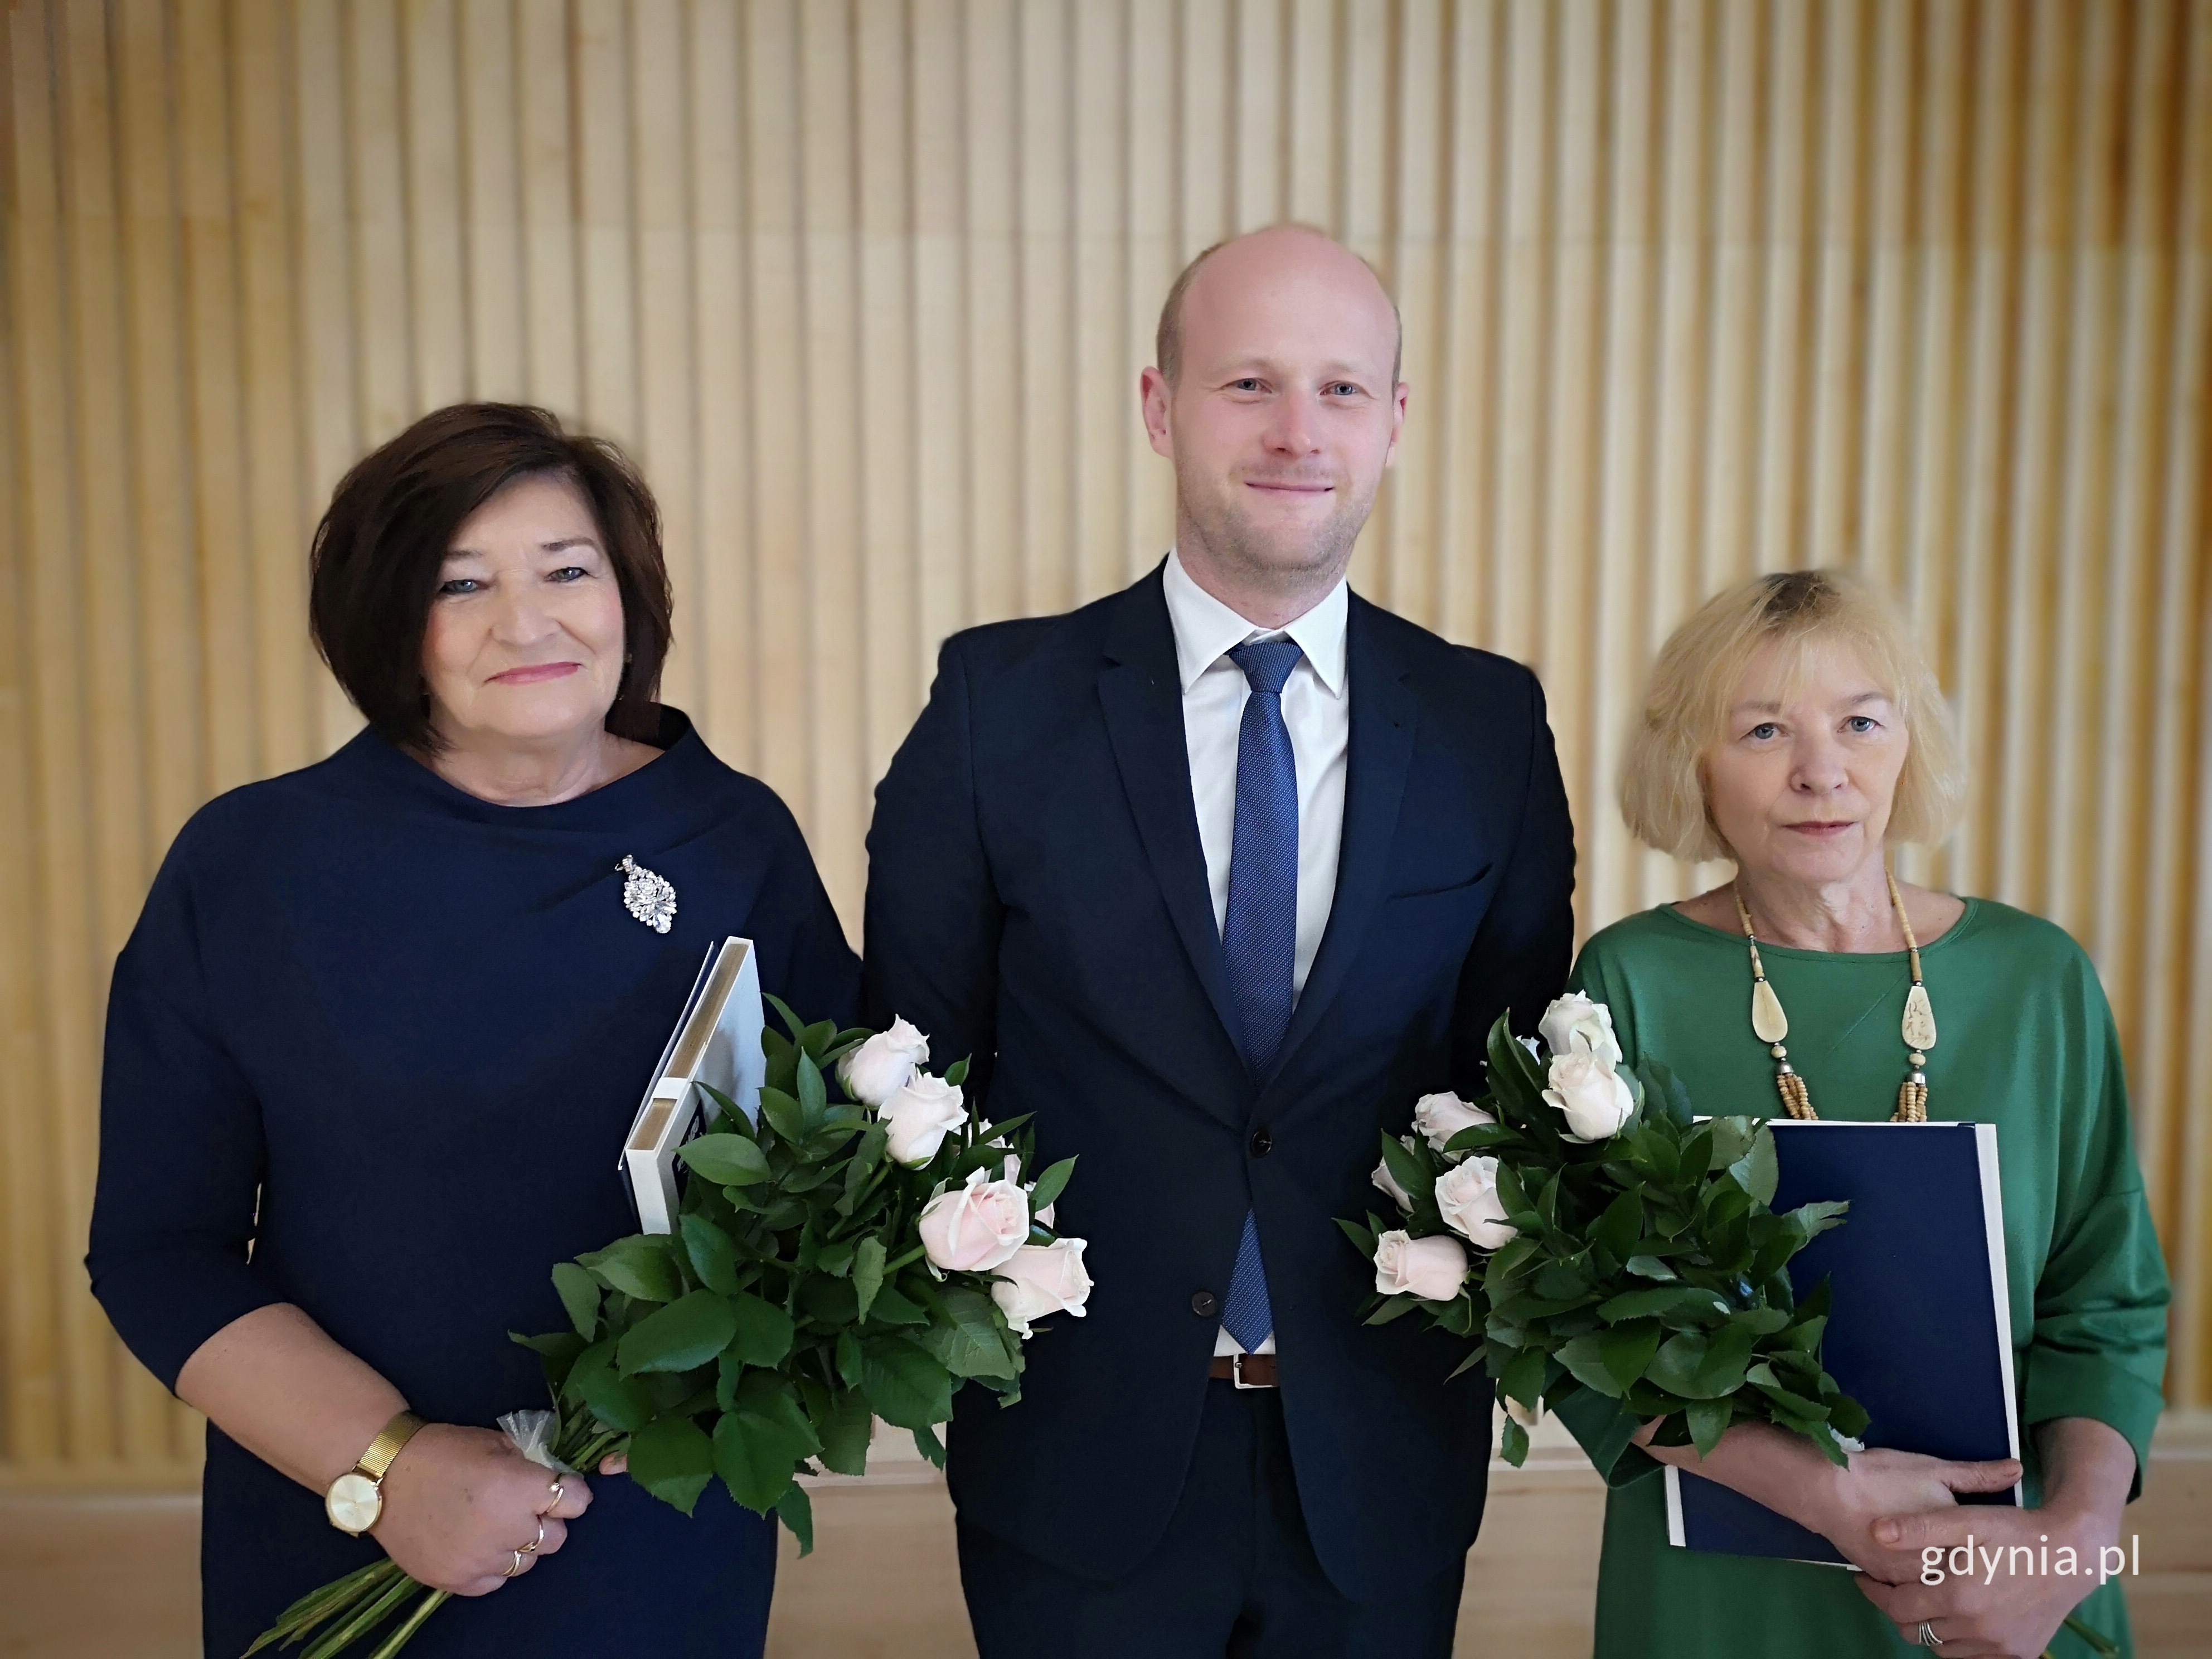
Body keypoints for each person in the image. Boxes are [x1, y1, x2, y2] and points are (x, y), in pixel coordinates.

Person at [863, 224, 1576, 1657]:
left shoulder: (1484, 725)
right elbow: (907, 1070)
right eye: (1248, 383)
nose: (1297, 431)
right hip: (1077, 1457)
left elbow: (1514, 1085)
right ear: (1157, 406)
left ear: (1394, 422)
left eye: (1341, 389)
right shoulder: (998, 704)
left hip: (1373, 1459)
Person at [86, 404, 860, 1658]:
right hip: (343, 1527)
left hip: (661, 1526)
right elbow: (158, 1250)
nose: (529, 622)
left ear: (628, 595)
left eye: (567, 570)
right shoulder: (252, 866)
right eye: (463, 585)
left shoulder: (732, 835)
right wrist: (387, 1466)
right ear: (390, 624)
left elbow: (831, 1157)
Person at [1556, 569, 2169, 1658]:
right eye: (1761, 731)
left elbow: (2105, 1305)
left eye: (1858, 723)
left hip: (2008, 1577)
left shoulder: (2038, 980)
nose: (1820, 772)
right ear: (1691, 761)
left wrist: (2068, 1550)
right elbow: (1577, 1319)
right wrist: (1819, 1489)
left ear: (1907, 744)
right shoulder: (1628, 981)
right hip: (1720, 1596)